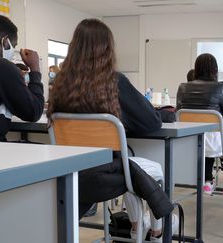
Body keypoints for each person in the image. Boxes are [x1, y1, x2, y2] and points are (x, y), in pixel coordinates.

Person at [46, 19, 176, 242]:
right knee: (150, 169)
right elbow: (151, 122)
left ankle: (136, 226)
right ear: (107, 49)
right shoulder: (115, 81)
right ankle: (156, 231)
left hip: (70, 173)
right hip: (107, 173)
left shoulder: (60, 83)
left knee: (130, 166)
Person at [177, 53, 223, 197]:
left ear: (196, 68)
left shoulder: (182, 88)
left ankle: (207, 183)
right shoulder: (220, 87)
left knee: (204, 140)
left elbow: (179, 114)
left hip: (190, 141)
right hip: (214, 143)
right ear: (215, 69)